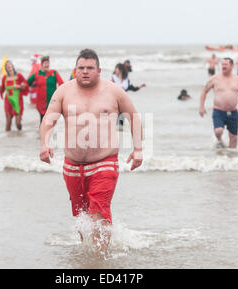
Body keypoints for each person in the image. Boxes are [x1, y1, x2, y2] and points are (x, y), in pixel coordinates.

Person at [39, 49, 143, 253]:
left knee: (99, 214)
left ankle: (100, 260)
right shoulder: (63, 91)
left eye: (90, 68)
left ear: (99, 70)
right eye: (81, 68)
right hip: (72, 166)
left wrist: (137, 148)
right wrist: (44, 143)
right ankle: (87, 255)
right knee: (82, 217)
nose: (85, 71)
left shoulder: (114, 91)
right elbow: (48, 119)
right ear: (75, 69)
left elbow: (134, 116)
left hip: (104, 162)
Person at [199, 57, 238, 149]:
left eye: (226, 64)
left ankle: (231, 158)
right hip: (218, 111)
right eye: (222, 64)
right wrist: (201, 107)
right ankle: (220, 141)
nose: (223, 66)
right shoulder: (214, 78)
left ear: (232, 66)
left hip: (233, 112)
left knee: (234, 138)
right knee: (218, 131)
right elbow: (204, 91)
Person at [27, 55, 64, 123]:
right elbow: (27, 83)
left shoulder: (54, 73)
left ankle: (50, 133)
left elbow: (62, 84)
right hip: (41, 102)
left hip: (52, 101)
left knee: (51, 122)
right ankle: (42, 133)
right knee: (43, 121)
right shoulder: (37, 74)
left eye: (48, 63)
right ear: (41, 64)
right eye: (45, 63)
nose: (47, 65)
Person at [0, 60, 28, 131]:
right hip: (8, 100)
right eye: (7, 65)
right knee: (8, 122)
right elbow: (3, 89)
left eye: (10, 64)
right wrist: (0, 88)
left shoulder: (19, 76)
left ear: (12, 66)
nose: (9, 66)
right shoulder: (4, 77)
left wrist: (19, 86)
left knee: (18, 123)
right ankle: (7, 139)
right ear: (6, 68)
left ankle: (20, 134)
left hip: (18, 100)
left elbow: (25, 85)